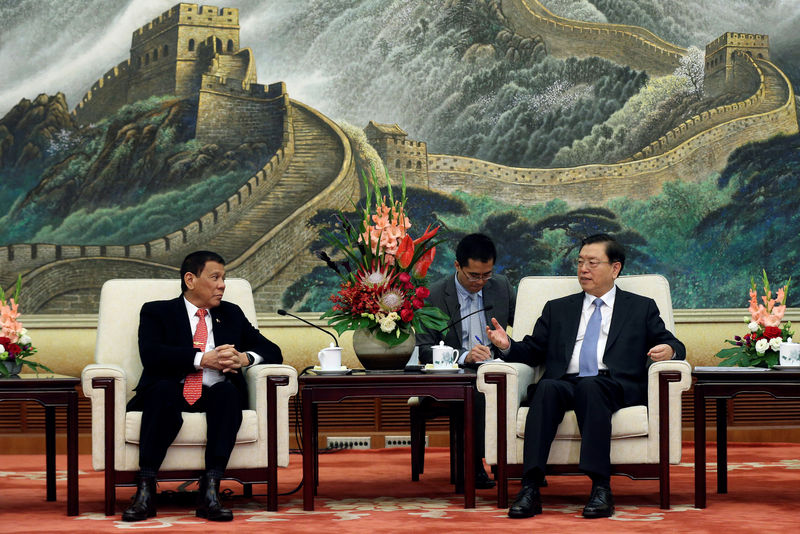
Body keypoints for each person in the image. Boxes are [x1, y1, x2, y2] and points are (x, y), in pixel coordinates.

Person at [485, 234, 685, 519]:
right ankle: (530, 488)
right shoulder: (558, 308)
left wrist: (670, 350)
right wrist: (507, 345)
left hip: (614, 384)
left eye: (593, 262)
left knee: (591, 387)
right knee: (547, 388)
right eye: (580, 262)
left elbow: (674, 344)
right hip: (567, 382)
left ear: (615, 269)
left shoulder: (640, 307)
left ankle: (601, 487)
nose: (583, 269)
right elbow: (533, 350)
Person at [122, 251, 282, 522]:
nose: (222, 285)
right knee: (161, 392)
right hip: (171, 389)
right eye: (215, 277)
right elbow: (151, 354)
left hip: (214, 393)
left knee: (228, 393)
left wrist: (245, 358)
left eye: (224, 278)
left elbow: (272, 350)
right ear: (190, 279)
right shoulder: (157, 311)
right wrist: (201, 359)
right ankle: (145, 491)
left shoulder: (230, 313)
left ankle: (210, 491)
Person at [417, 233, 516, 489]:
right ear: (457, 266)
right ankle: (475, 464)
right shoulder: (435, 295)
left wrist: (505, 346)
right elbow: (424, 349)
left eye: (486, 275)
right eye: (474, 275)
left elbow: (527, 327)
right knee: (477, 392)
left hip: (495, 368)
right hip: (454, 375)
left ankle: (517, 464)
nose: (480, 282)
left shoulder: (501, 287)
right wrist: (464, 356)